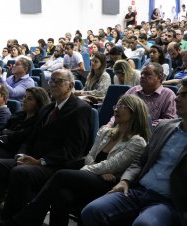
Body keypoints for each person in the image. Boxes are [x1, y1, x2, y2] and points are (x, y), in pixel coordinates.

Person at [0, 69, 93, 225]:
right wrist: (21, 155)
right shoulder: (48, 108)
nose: (53, 84)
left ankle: (10, 219)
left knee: (20, 172)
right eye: (51, 81)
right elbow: (31, 138)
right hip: (33, 159)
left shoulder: (81, 109)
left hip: (56, 165)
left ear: (70, 85)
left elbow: (74, 150)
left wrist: (41, 161)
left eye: (59, 81)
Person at [11, 94, 151, 226]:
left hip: (109, 183)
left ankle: (27, 218)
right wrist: (97, 171)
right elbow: (90, 155)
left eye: (123, 106)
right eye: (116, 105)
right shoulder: (106, 132)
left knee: (62, 175)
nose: (116, 109)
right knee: (62, 195)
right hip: (96, 175)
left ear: (135, 112)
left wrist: (90, 171)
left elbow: (112, 165)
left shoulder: (137, 142)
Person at [81, 77, 187, 226]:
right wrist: (125, 180)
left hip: (168, 200)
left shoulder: (140, 137)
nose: (176, 98)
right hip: (138, 189)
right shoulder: (165, 127)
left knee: (143, 224)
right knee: (92, 211)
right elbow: (140, 161)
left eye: (184, 95)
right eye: (179, 94)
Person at [108, 62, 177, 128]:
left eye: (147, 74)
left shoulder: (168, 95)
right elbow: (118, 111)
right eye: (142, 74)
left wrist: (142, 126)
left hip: (150, 134)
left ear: (159, 78)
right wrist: (110, 125)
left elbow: (169, 121)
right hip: (125, 130)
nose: (142, 76)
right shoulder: (133, 90)